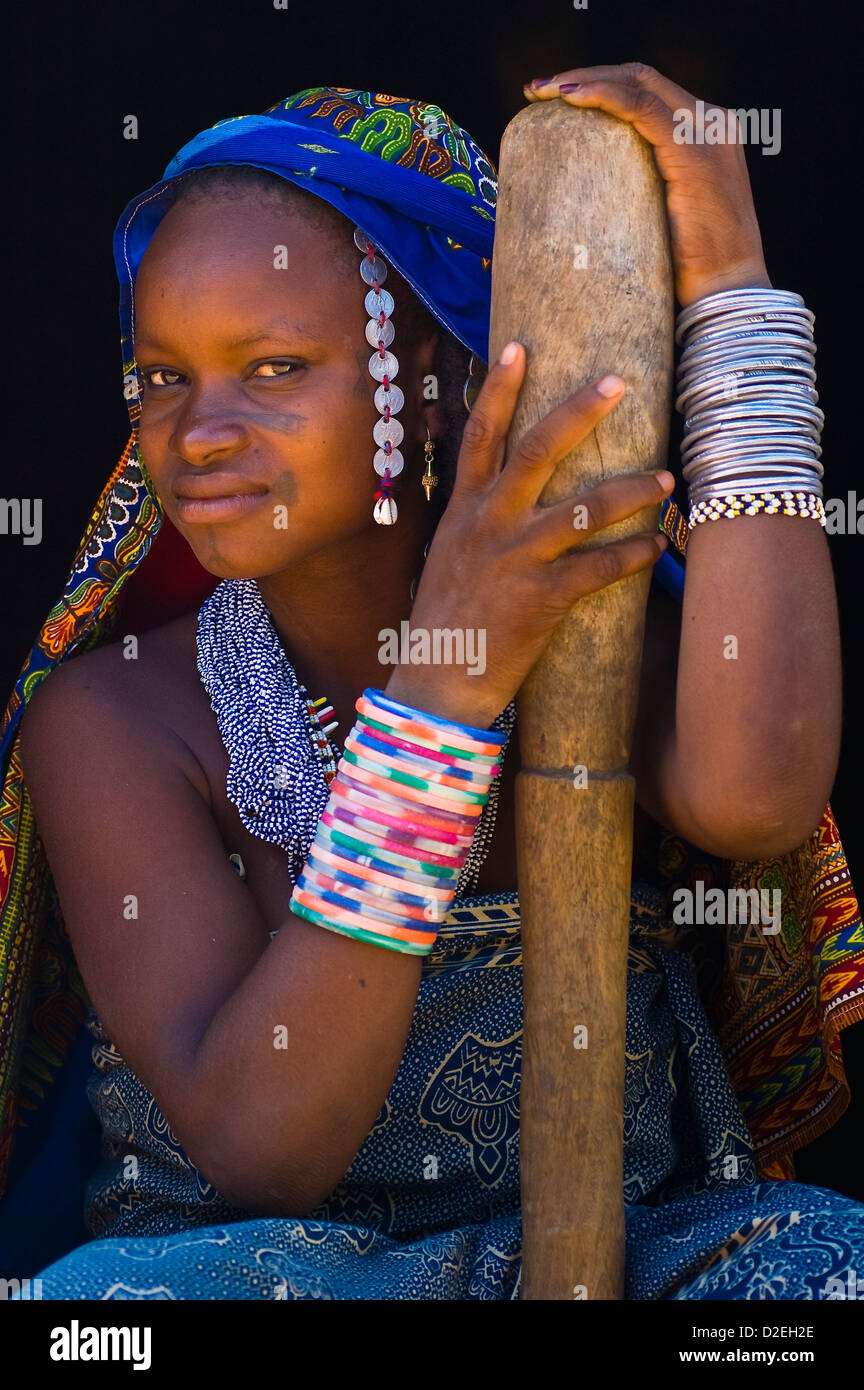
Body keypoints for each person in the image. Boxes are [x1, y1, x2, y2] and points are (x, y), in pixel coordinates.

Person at [1, 73, 863, 1301]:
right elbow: (263, 1144)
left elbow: (759, 798)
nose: (198, 431)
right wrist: (444, 688)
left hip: (630, 1259)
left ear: (438, 373)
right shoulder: (119, 716)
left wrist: (733, 297)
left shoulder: (594, 632)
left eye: (274, 365)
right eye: (162, 376)